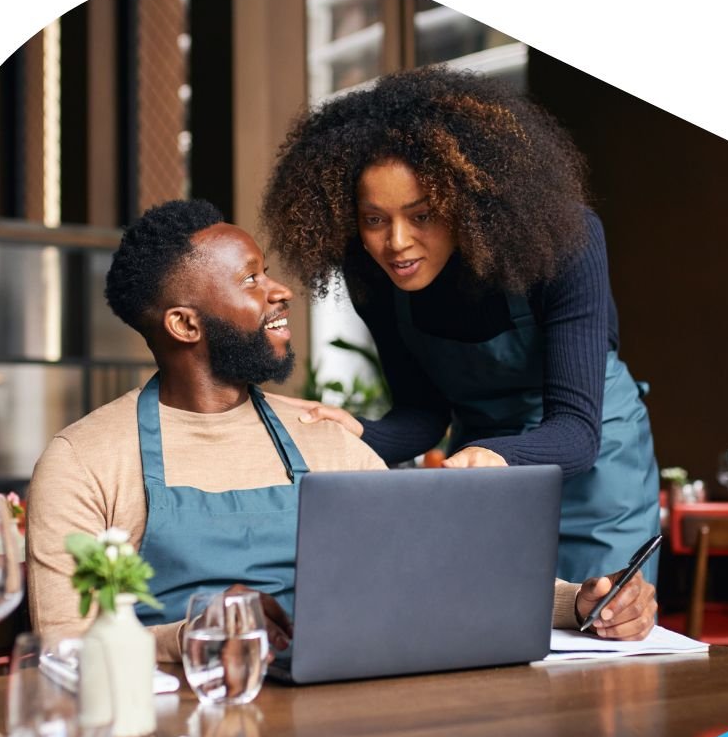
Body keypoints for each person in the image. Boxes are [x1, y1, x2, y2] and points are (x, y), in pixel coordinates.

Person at [26, 198, 656, 662]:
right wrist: (188, 638)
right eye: (250, 280)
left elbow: (437, 569)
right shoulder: (85, 459)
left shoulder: (321, 438)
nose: (281, 293)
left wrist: (581, 602)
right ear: (186, 326)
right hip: (175, 728)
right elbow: (62, 643)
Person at [259, 66, 661, 588]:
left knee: (602, 633)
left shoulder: (566, 245)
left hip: (597, 471)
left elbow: (576, 434)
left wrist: (490, 455)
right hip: (481, 463)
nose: (396, 242)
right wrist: (357, 433)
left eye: (422, 214)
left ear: (466, 205)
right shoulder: (375, 279)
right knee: (488, 630)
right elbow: (424, 414)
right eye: (374, 219)